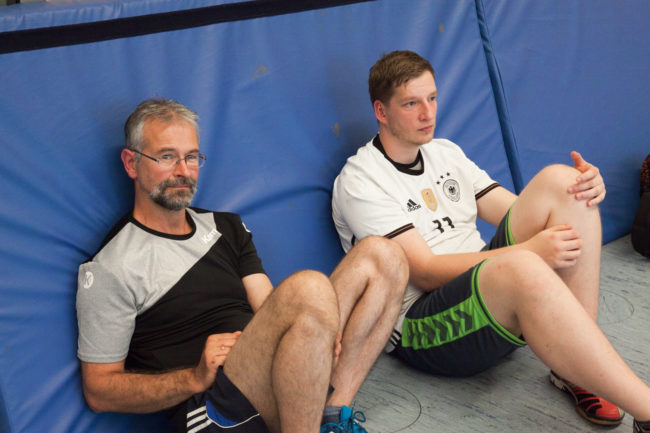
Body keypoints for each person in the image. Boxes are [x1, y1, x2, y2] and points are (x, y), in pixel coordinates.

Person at [331, 50, 650, 432]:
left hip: (489, 284)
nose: (428, 113)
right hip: (424, 325)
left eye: (432, 98)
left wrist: (584, 191)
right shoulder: (361, 179)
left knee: (564, 184)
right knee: (522, 264)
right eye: (411, 104)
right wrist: (528, 252)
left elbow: (520, 210)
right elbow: (426, 272)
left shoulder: (444, 152)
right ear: (381, 111)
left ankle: (578, 373)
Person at [76, 98, 408, 433]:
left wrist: (320, 330)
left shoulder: (225, 226)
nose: (183, 171)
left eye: (191, 157)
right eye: (166, 156)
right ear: (131, 163)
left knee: (385, 256)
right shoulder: (111, 267)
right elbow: (98, 391)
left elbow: (269, 307)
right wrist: (193, 377)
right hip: (215, 405)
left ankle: (332, 419)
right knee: (309, 288)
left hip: (267, 370)